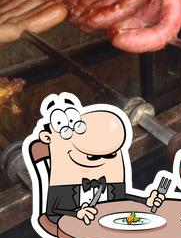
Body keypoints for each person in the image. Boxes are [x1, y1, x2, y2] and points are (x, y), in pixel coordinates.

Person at [37, 94, 165, 225]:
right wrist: (76, 213)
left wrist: (145, 201)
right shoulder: (65, 169)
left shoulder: (109, 161)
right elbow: (53, 213)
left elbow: (120, 198)